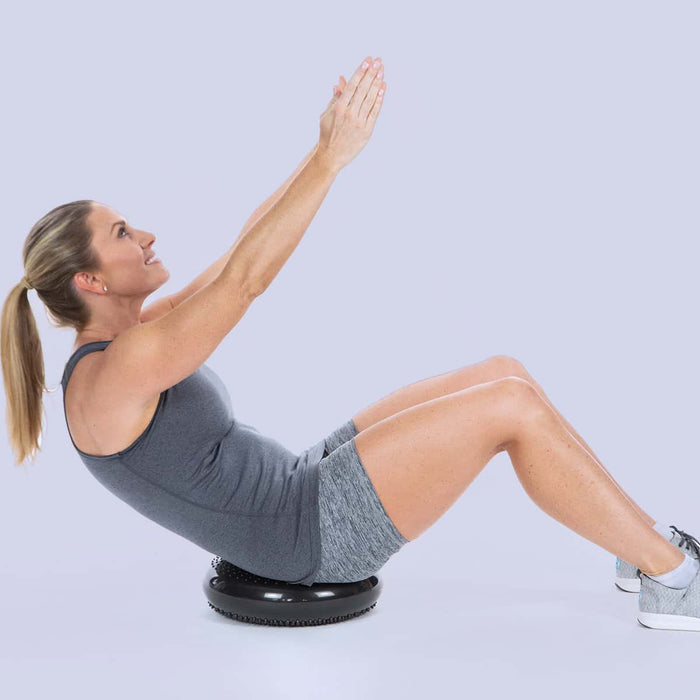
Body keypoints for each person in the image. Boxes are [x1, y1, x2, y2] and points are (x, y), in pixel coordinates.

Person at [2, 55, 699, 630]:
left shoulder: (137, 334)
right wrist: (333, 162)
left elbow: (239, 253)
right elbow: (246, 283)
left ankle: (639, 549)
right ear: (91, 279)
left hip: (300, 483)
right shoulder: (112, 377)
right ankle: (676, 582)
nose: (147, 235)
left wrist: (320, 149)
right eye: (123, 233)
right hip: (308, 537)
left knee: (501, 371)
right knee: (510, 407)